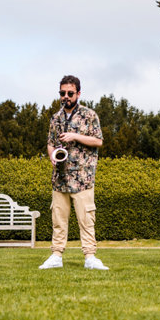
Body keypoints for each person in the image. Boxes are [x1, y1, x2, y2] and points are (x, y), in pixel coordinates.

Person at [39, 75, 108, 271]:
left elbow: (98, 141)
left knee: (86, 220)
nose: (66, 97)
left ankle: (90, 257)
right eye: (62, 93)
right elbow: (51, 143)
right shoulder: (55, 118)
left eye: (70, 93)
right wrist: (52, 155)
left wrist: (75, 136)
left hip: (83, 178)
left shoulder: (90, 115)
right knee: (58, 220)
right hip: (60, 178)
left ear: (78, 93)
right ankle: (56, 255)